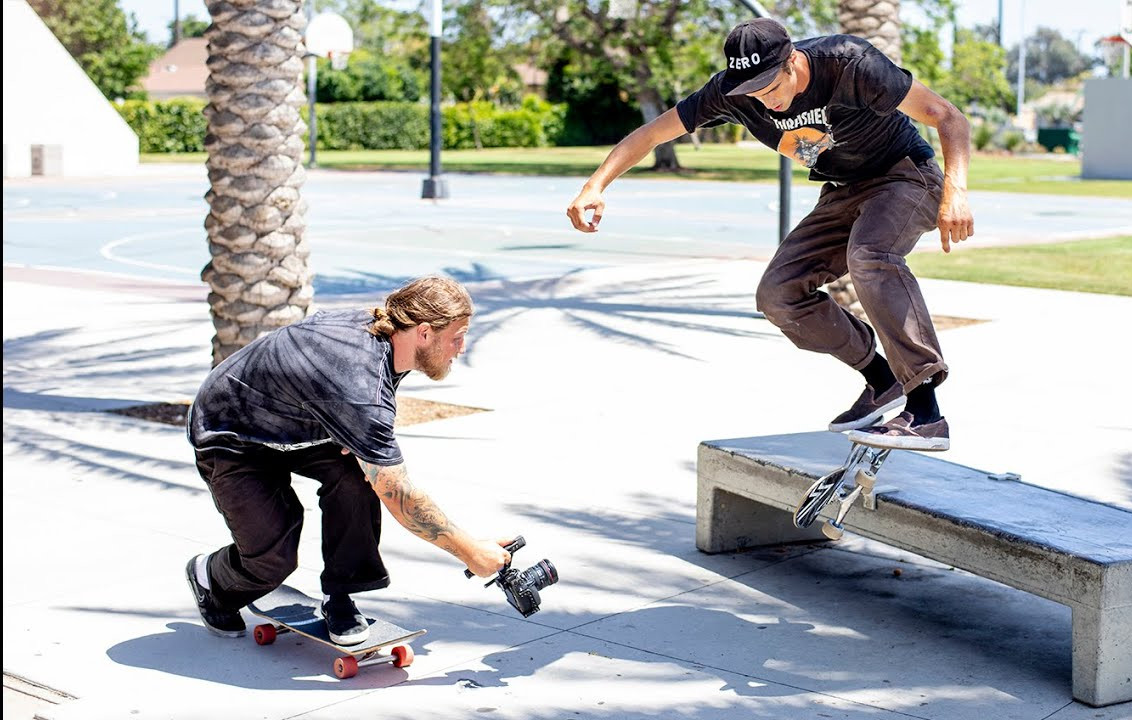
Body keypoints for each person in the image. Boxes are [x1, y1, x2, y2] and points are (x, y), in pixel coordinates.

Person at [567, 18, 974, 451]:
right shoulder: (727, 92)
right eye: (752, 93)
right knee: (779, 295)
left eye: (770, 87)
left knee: (870, 256)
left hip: (907, 176)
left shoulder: (849, 63)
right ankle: (881, 378)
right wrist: (595, 185)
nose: (765, 102)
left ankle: (926, 411)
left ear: (793, 60)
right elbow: (651, 134)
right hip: (843, 191)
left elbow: (948, 117)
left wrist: (956, 193)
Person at [184, 275, 512, 645]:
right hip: (232, 435)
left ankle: (340, 594)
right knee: (272, 558)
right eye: (457, 336)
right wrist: (471, 553)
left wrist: (345, 424)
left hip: (300, 422)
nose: (461, 348)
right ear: (423, 332)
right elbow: (400, 495)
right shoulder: (359, 385)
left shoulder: (385, 334)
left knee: (359, 478)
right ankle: (212, 578)